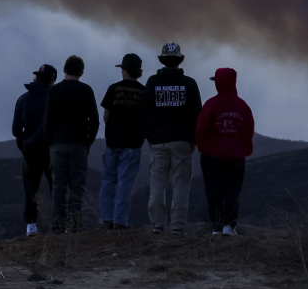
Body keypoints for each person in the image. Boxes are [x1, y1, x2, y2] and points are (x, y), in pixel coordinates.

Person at [141, 42, 202, 234]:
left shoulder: (152, 82)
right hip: (183, 142)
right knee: (181, 186)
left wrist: (150, 137)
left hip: (158, 142)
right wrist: (193, 140)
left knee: (157, 185)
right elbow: (197, 114)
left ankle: (157, 226)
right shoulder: (189, 84)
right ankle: (177, 227)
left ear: (162, 60)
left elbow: (145, 112)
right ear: (179, 60)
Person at [42, 55, 99, 233]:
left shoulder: (54, 90)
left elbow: (47, 120)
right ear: (81, 72)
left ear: (64, 70)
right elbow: (95, 121)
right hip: (79, 144)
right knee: (76, 185)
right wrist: (88, 141)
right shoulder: (87, 90)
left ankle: (57, 225)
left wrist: (50, 142)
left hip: (58, 144)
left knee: (58, 184)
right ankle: (74, 225)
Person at [195, 67, 254, 236]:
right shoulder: (242, 106)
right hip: (236, 156)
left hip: (211, 156)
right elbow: (248, 130)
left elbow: (201, 129)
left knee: (213, 191)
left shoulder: (210, 104)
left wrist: (202, 148)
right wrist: (246, 149)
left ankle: (217, 226)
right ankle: (230, 225)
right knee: (232, 191)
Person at [98, 53, 145, 230]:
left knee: (108, 181)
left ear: (124, 70)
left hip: (112, 142)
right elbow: (145, 118)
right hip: (133, 143)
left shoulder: (113, 89)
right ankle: (120, 221)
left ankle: (105, 219)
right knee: (125, 183)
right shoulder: (143, 91)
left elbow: (106, 116)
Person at [12, 63, 56, 237]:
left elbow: (16, 130)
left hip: (30, 149)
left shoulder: (23, 99)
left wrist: (24, 144)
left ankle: (31, 226)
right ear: (52, 79)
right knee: (56, 186)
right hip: (51, 148)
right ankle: (60, 224)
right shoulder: (53, 99)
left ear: (36, 77)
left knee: (31, 187)